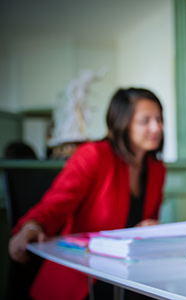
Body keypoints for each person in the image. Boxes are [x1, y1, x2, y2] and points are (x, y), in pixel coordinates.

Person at [8, 87, 166, 300]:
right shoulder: (93, 155)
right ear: (122, 123)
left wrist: (149, 228)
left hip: (129, 274)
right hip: (84, 276)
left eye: (159, 118)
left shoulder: (156, 169)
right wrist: (32, 226)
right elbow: (55, 204)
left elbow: (147, 224)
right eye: (145, 120)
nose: (157, 127)